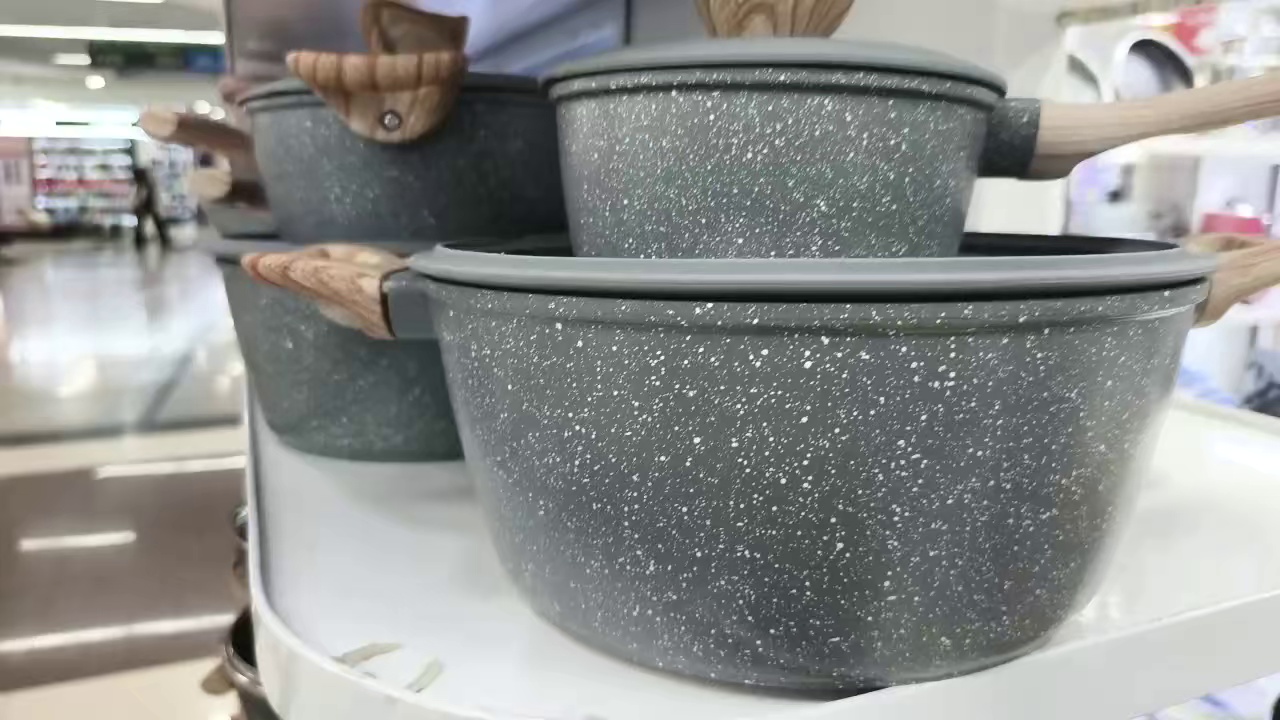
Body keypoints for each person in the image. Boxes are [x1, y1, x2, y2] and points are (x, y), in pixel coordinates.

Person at [132, 167, 171, 253]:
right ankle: (164, 239)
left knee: (147, 223)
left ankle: (139, 240)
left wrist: (137, 205)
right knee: (157, 223)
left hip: (148, 206)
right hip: (150, 206)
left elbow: (142, 195)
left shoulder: (144, 183)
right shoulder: (148, 182)